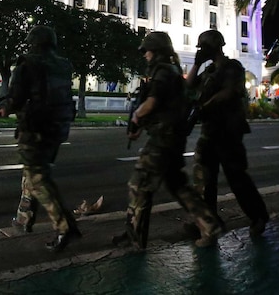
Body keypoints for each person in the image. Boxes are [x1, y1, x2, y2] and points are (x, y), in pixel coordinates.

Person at [112, 32, 223, 250]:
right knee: (178, 186)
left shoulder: (162, 72)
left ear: (156, 51)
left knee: (139, 184)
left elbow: (153, 102)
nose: (145, 55)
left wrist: (137, 117)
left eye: (147, 51)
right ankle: (210, 225)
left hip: (162, 141)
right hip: (172, 139)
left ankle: (134, 236)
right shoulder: (171, 70)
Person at [0, 25, 80, 252]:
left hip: (35, 128)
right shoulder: (63, 65)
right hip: (58, 128)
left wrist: (4, 107)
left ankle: (64, 227)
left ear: (33, 43)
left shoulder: (27, 65)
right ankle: (25, 218)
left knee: (37, 179)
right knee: (34, 174)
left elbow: (16, 98)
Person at [186, 29, 269, 237]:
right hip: (210, 131)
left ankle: (258, 217)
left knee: (237, 177)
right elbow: (188, 87)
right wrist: (196, 64)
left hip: (228, 130)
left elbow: (229, 92)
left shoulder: (232, 67)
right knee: (204, 179)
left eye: (204, 48)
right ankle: (207, 222)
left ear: (215, 47)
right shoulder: (209, 71)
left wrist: (205, 107)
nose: (202, 51)